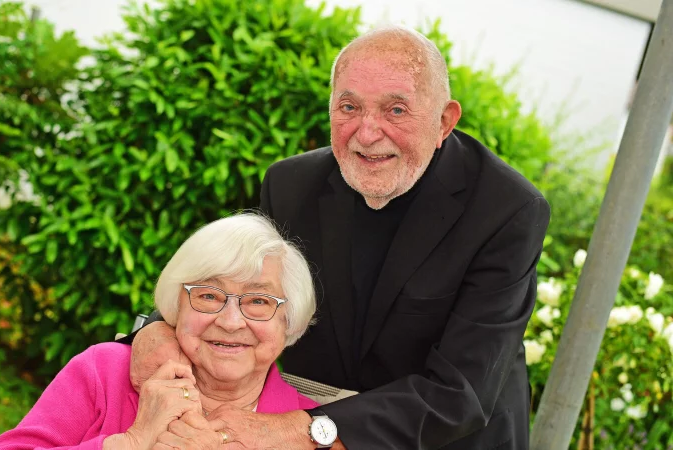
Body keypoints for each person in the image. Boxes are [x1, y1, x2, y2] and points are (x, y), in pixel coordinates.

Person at [123, 26, 551, 449]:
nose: (366, 134)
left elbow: (460, 393)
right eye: (349, 107)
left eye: (396, 110)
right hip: (305, 413)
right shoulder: (291, 185)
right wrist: (154, 330)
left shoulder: (506, 210)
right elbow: (233, 289)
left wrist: (292, 430)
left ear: (444, 121)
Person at [0, 214, 320, 450]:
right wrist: (130, 443)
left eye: (259, 300)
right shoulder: (103, 372)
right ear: (177, 305)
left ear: (288, 320)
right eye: (208, 295)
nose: (230, 321)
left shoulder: (304, 429)